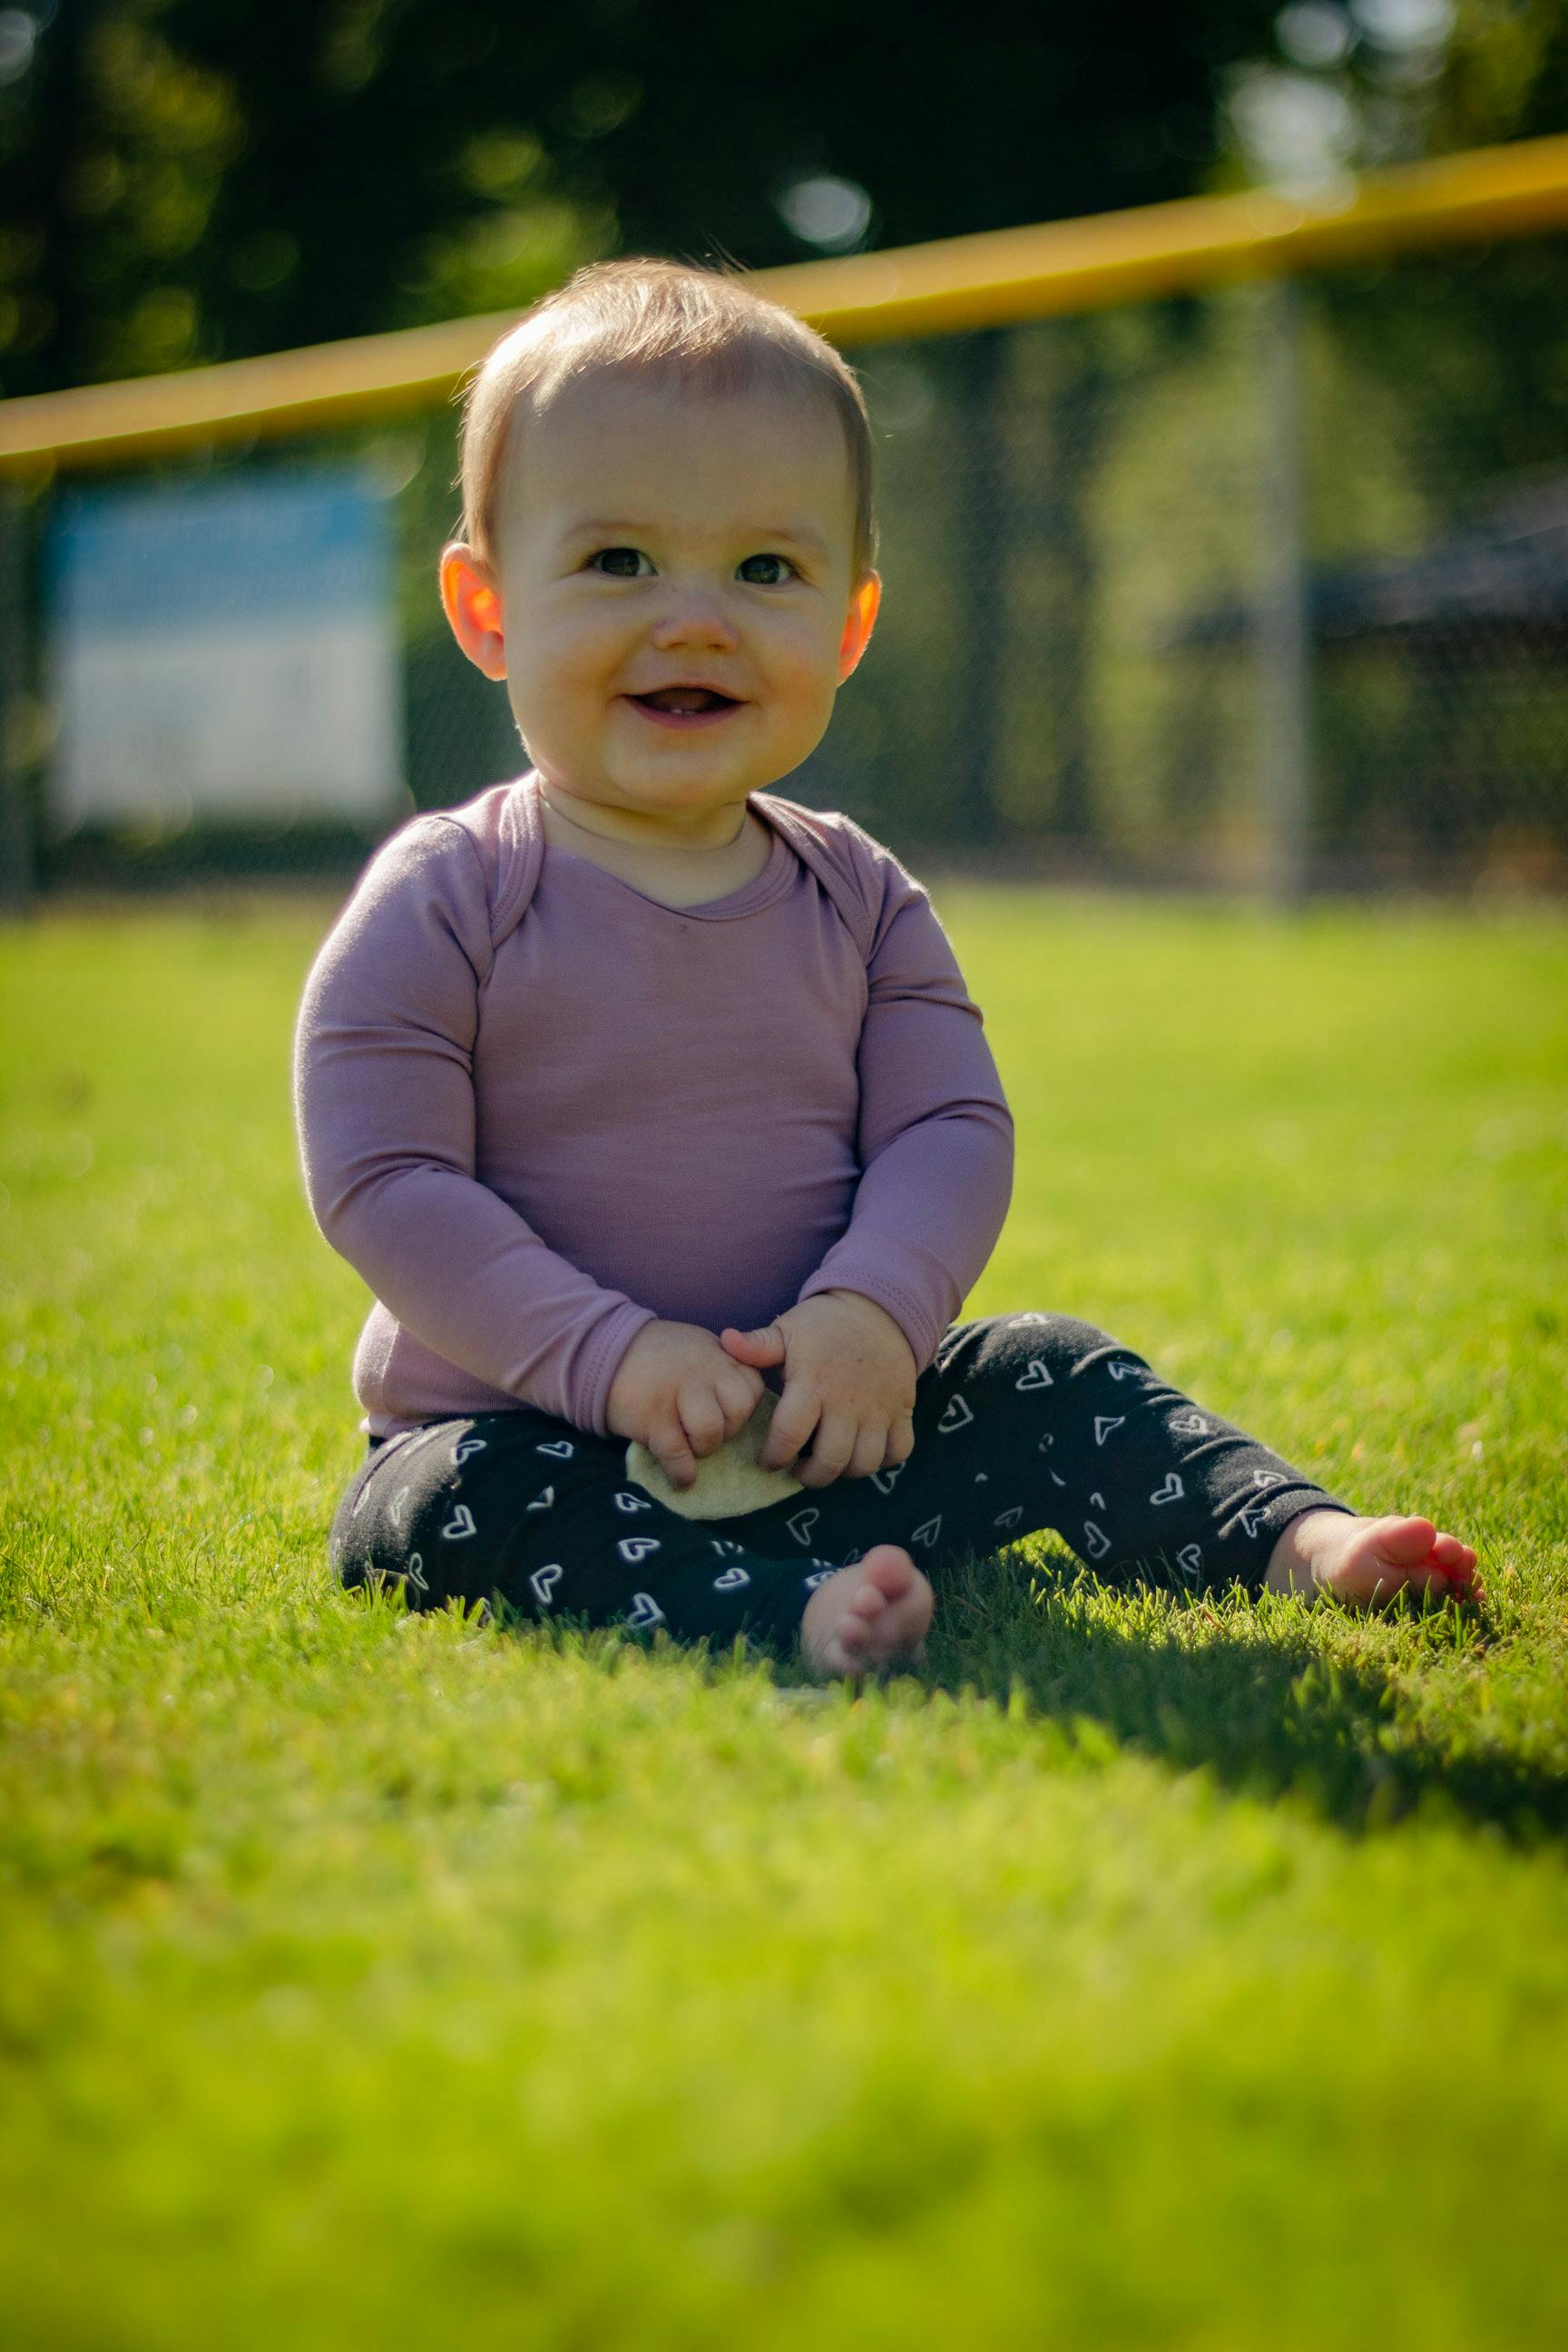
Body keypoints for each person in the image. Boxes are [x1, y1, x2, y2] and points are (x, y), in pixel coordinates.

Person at [293, 260, 1480, 1678]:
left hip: (835, 1428)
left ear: (847, 626)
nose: (695, 618)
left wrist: (872, 1315)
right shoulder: (452, 894)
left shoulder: (855, 894)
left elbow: (947, 1126)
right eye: (619, 561)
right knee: (433, 1513)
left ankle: (1290, 1539)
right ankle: (773, 1617)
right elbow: (386, 1179)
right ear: (487, 611)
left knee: (1048, 1368)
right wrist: (609, 1360)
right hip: (536, 1438)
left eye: (765, 569)